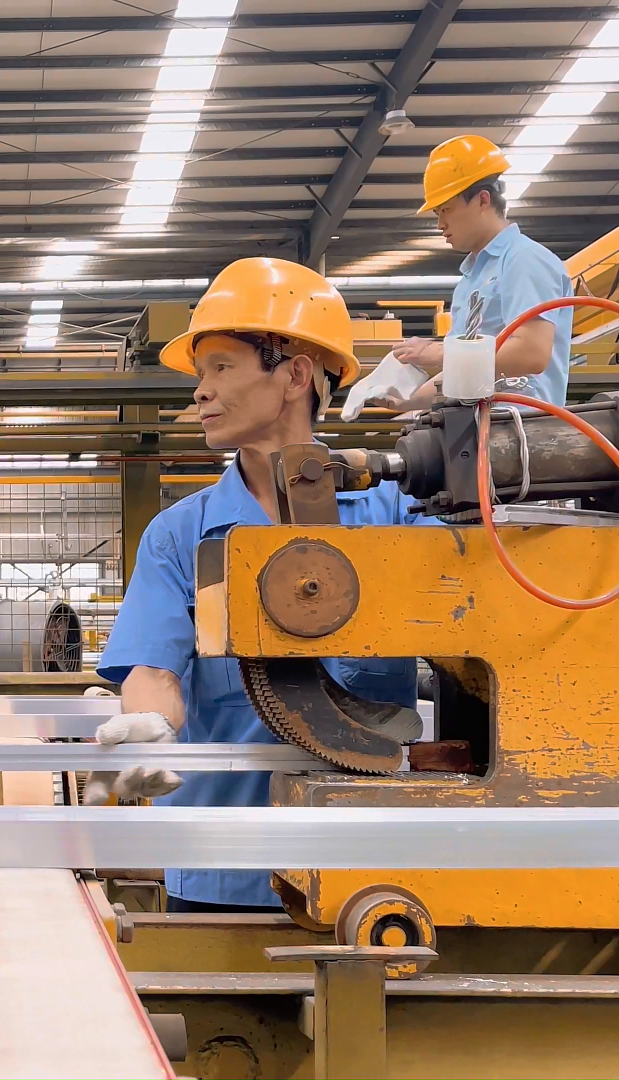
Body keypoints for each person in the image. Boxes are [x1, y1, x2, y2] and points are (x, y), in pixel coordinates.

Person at [89, 258, 423, 913]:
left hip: (369, 876)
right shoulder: (180, 535)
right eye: (200, 373)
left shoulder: (397, 518)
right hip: (225, 866)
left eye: (221, 367)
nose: (201, 392)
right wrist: (150, 723)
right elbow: (155, 667)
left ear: (294, 373)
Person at [378, 134, 574, 411]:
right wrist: (404, 400)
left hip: (522, 430)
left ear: (483, 200)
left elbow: (531, 353)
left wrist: (439, 353)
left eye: (445, 209)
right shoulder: (472, 277)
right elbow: (470, 369)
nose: (440, 224)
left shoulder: (524, 260)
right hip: (482, 429)